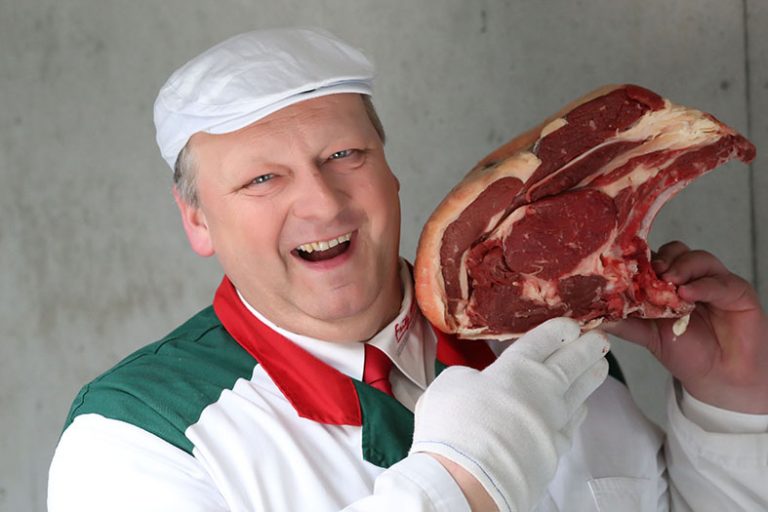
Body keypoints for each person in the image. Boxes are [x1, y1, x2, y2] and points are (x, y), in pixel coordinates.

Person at [47, 27, 768, 512]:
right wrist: (463, 480)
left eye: (343, 156)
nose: (322, 203)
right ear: (198, 220)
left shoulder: (546, 336)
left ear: (389, 170)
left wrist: (730, 409)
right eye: (262, 179)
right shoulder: (137, 437)